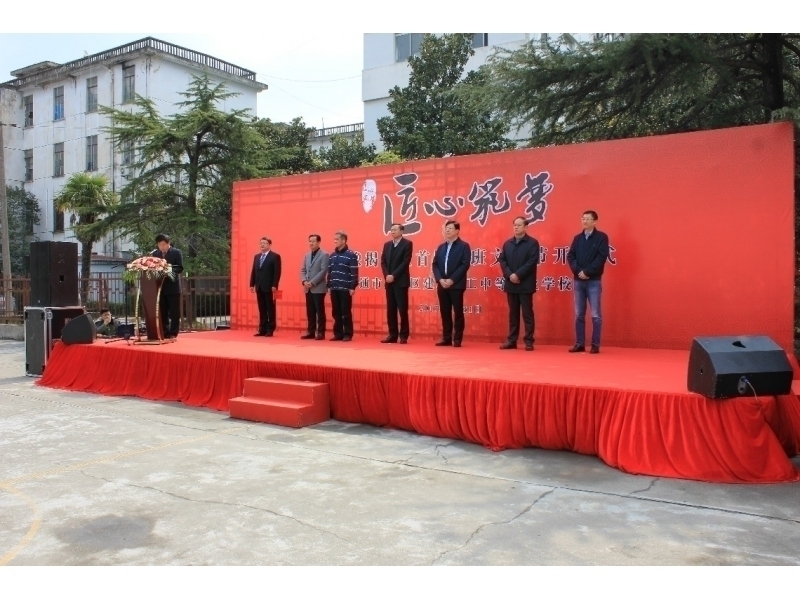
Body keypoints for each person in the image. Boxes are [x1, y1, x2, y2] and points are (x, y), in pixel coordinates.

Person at [567, 210, 610, 354]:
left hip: (593, 281)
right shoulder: (577, 238)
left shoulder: (602, 237)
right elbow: (571, 256)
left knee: (595, 315)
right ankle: (579, 343)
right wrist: (579, 271)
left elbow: (601, 257)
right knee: (579, 314)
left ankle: (595, 344)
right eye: (583, 218)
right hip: (578, 281)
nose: (584, 221)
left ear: (595, 221)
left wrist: (587, 272)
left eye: (587, 219)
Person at [498, 217, 540, 351]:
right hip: (511, 284)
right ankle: (512, 340)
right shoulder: (508, 243)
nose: (516, 227)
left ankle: (529, 341)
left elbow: (532, 261)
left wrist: (518, 275)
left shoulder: (532, 243)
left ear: (526, 227)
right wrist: (510, 274)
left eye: (519, 225)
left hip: (525, 284)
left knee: (527, 314)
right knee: (513, 314)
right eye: (514, 225)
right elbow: (502, 260)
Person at [431, 220, 471, 347]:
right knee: (445, 312)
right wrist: (440, 279)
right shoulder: (441, 247)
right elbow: (435, 264)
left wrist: (452, 279)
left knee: (458, 312)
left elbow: (464, 265)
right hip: (442, 284)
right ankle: (446, 338)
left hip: (456, 285)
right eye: (446, 228)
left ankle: (457, 339)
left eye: (450, 228)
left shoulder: (464, 246)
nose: (447, 230)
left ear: (457, 231)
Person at [380, 223, 413, 344]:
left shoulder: (407, 244)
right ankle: (392, 334)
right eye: (391, 229)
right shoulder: (387, 245)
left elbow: (405, 262)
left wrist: (393, 275)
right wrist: (387, 275)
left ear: (401, 231)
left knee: (402, 310)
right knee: (391, 310)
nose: (392, 231)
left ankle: (403, 335)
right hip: (389, 282)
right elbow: (383, 262)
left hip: (400, 281)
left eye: (395, 229)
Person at [327, 231, 358, 342]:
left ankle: (348, 334)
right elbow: (329, 272)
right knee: (336, 312)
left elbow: (354, 272)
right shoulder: (332, 256)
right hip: (334, 287)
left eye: (337, 239)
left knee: (346, 312)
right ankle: (338, 333)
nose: (335, 241)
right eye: (334, 239)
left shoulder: (351, 255)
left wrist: (352, 287)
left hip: (345, 288)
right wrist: (329, 285)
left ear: (344, 240)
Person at [151, 233, 184, 339]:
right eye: (159, 245)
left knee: (174, 312)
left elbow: (180, 268)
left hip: (172, 286)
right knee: (162, 311)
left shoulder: (176, 253)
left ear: (168, 243)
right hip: (160, 287)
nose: (162, 247)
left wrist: (169, 269)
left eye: (164, 245)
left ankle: (173, 332)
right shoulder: (155, 254)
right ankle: (164, 331)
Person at [249, 237, 282, 337]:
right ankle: (262, 329)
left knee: (270, 308)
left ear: (269, 245)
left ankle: (270, 329)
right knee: (262, 308)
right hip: (259, 286)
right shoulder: (257, 257)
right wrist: (251, 284)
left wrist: (275, 285)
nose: (262, 245)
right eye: (261, 243)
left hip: (269, 287)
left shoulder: (275, 256)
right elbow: (254, 271)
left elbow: (277, 272)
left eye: (264, 243)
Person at [300, 234, 329, 340]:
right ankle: (310, 331)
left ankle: (321, 332)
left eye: (313, 241)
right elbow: (303, 270)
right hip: (307, 288)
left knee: (319, 311)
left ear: (319, 242)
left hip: (318, 287)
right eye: (310, 241)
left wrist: (312, 282)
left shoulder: (324, 255)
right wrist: (304, 281)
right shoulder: (307, 255)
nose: (311, 243)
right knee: (310, 311)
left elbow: (323, 271)